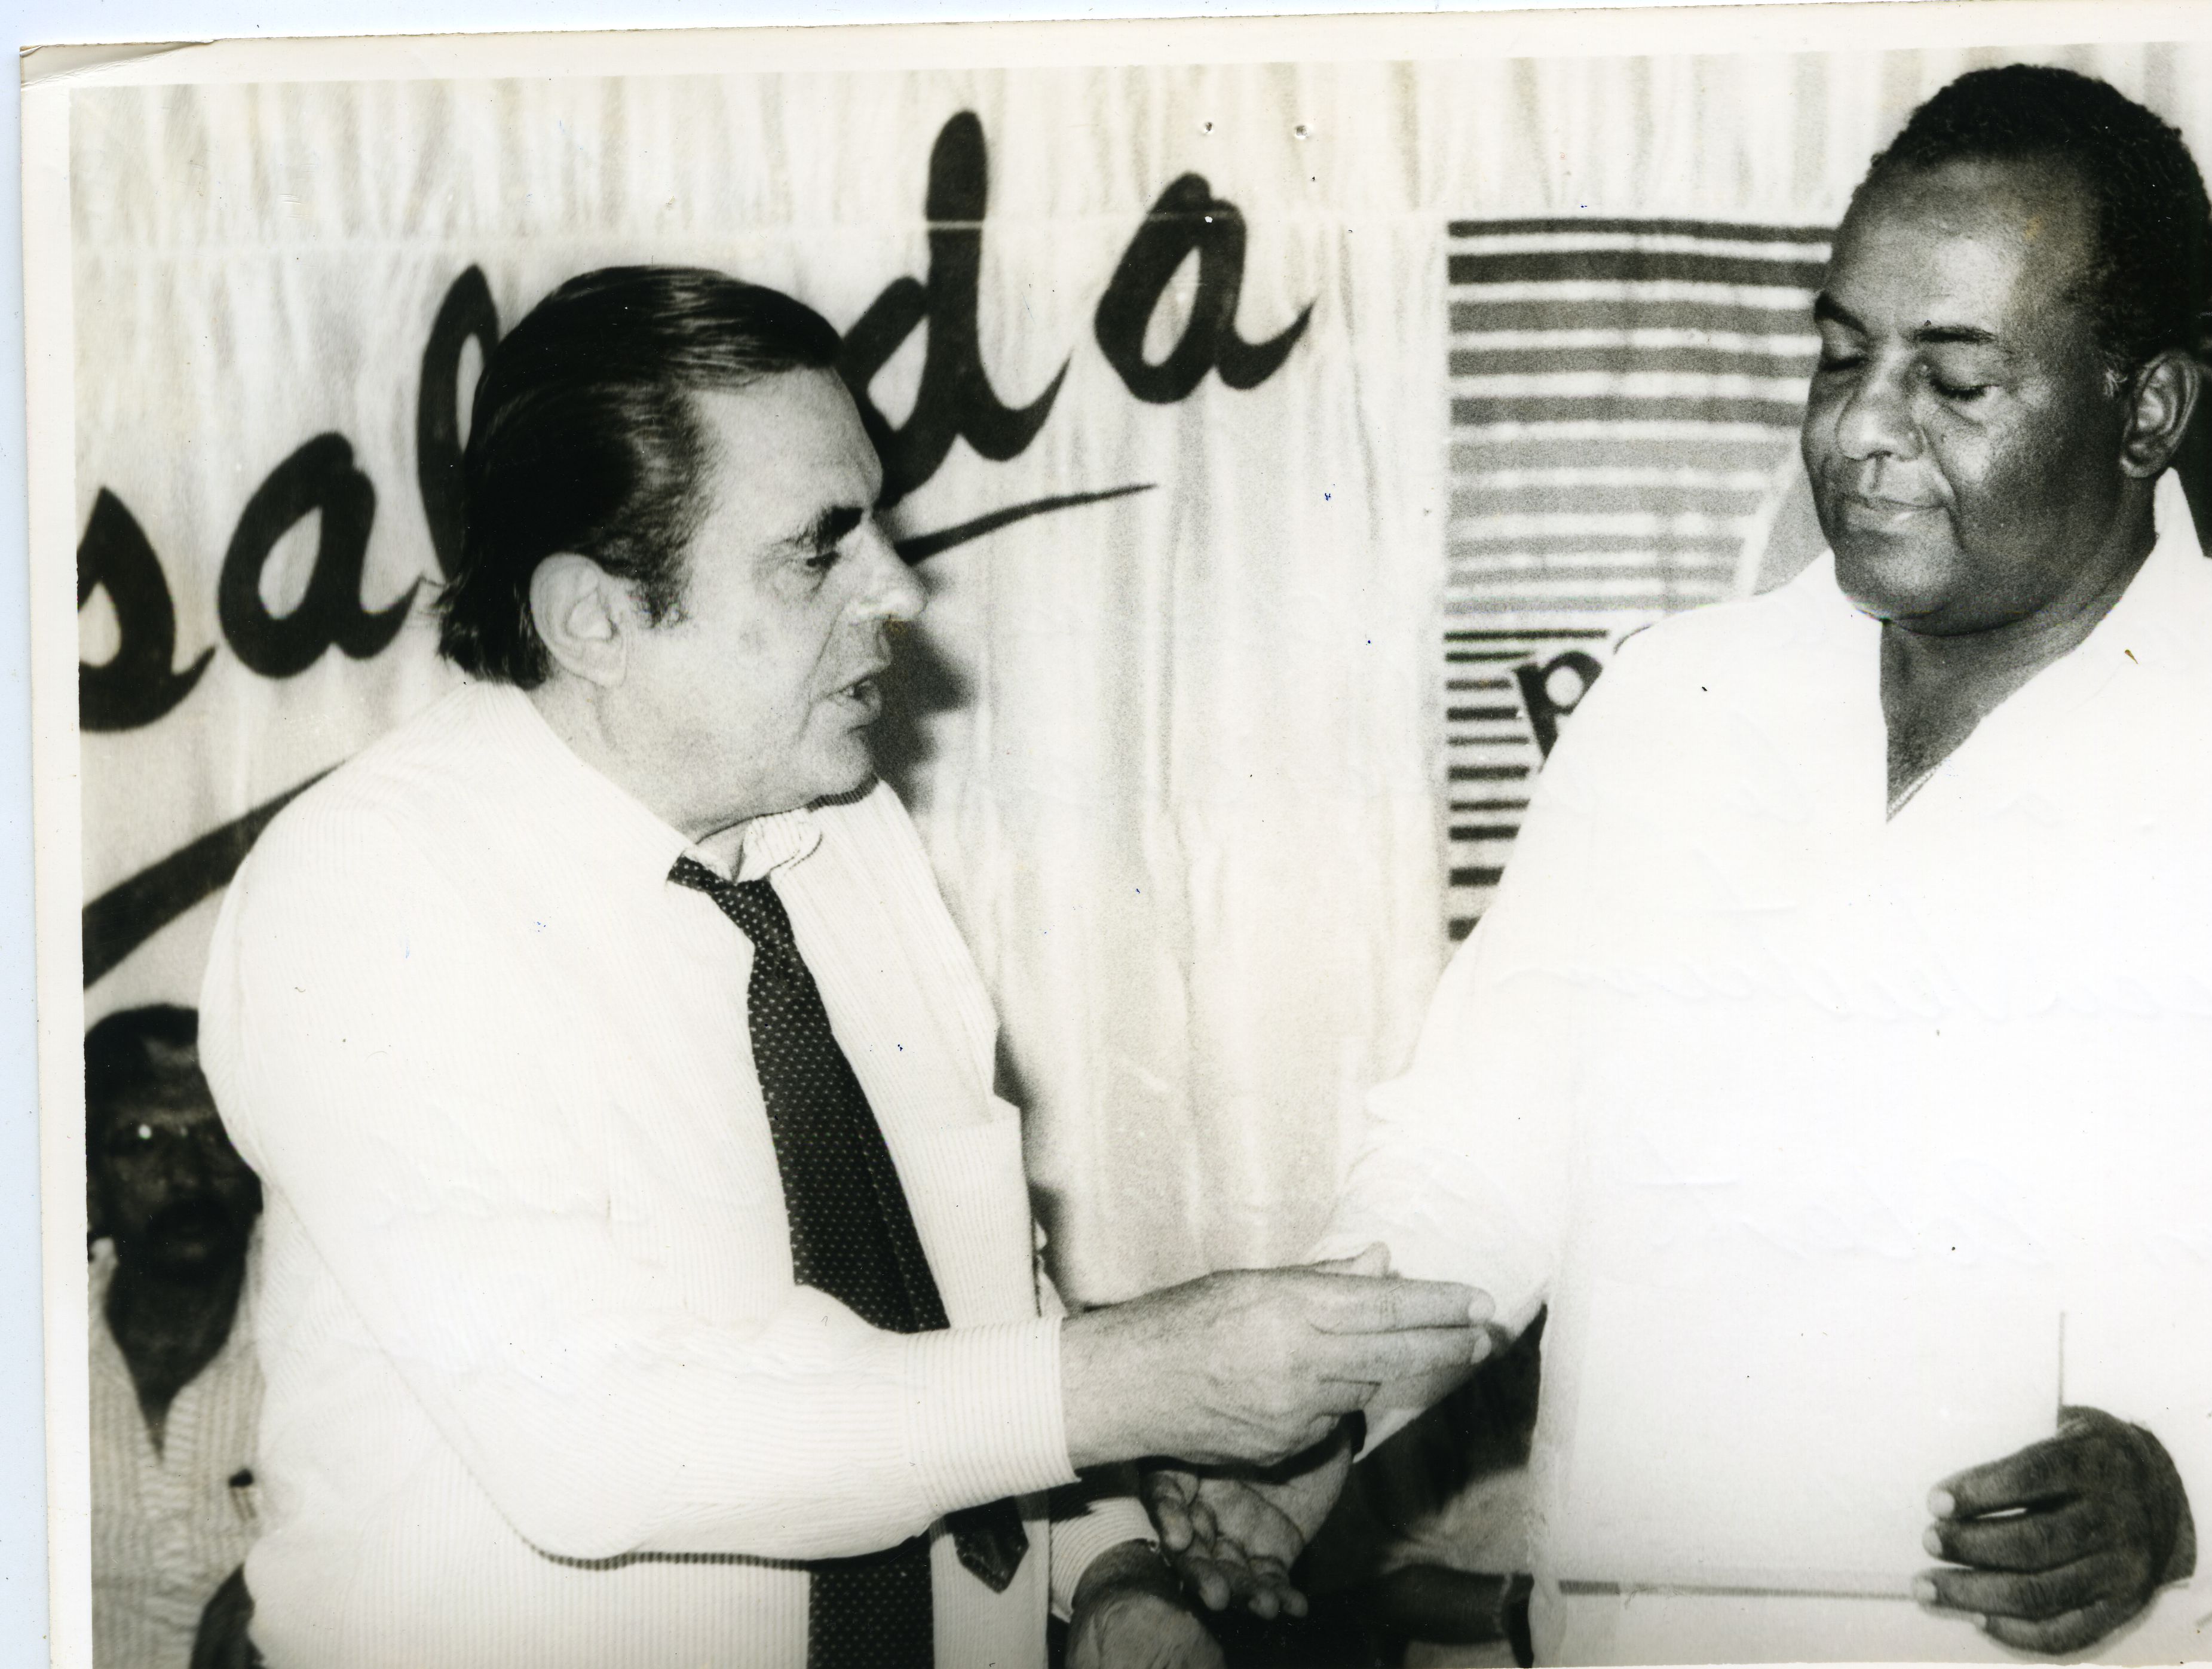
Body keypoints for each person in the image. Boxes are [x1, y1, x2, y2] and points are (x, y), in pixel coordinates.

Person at [1151, 65, 2212, 1664]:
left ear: (2144, 412)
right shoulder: (1668, 711)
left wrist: (2190, 1493)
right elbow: (1478, 1164)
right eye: (1840, 354)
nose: (1860, 428)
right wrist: (1315, 1419)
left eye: (1953, 378)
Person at [199, 266, 1494, 1669]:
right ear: (595, 620)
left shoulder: (845, 828)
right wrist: (1120, 1387)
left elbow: (968, 1287)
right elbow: (593, 1434)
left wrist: (1110, 1566)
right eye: (817, 550)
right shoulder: (369, 891)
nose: (899, 586)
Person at [86, 1007, 265, 1669]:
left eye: (216, 1134)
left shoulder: (329, 1336)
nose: (187, 1174)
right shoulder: (30, 1354)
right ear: (86, 1181)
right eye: (140, 1139)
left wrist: (277, 1581)